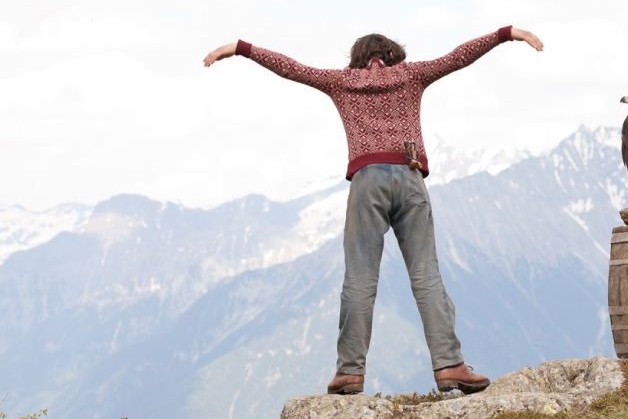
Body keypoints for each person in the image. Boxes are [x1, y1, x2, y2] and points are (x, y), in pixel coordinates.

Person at [203, 26, 544, 395]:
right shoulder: (411, 75)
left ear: (357, 59)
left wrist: (241, 48)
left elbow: (291, 68)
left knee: (360, 279)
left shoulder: (342, 82)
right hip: (411, 177)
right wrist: (507, 33)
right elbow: (459, 57)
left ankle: (350, 371)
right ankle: (450, 365)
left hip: (366, 182)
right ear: (396, 55)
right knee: (426, 276)